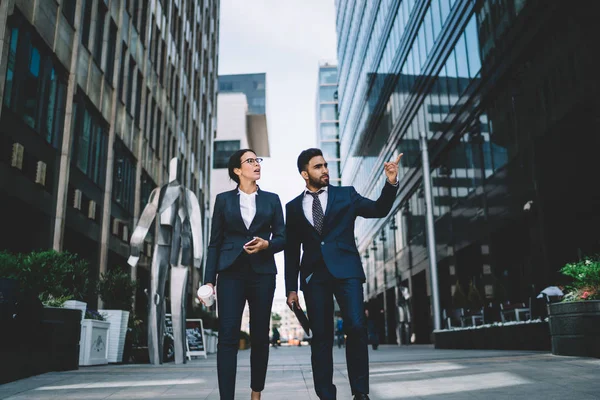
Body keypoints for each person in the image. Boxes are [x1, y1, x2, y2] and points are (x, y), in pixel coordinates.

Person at [285, 148, 402, 400]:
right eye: (318, 167)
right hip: (314, 277)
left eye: (325, 165)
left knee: (357, 327)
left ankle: (360, 392)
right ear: (305, 173)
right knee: (322, 337)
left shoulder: (346, 194)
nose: (325, 170)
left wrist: (391, 182)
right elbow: (292, 250)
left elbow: (378, 209)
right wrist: (290, 288)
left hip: (347, 271)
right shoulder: (293, 207)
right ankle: (326, 395)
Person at [201, 149, 285, 400]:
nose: (257, 164)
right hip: (230, 273)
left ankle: (256, 392)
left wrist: (267, 245)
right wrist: (208, 280)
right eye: (250, 161)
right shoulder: (223, 200)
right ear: (237, 170)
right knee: (227, 337)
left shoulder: (272, 199)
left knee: (260, 335)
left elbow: (283, 237)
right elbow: (214, 242)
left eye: (257, 160)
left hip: (263, 274)